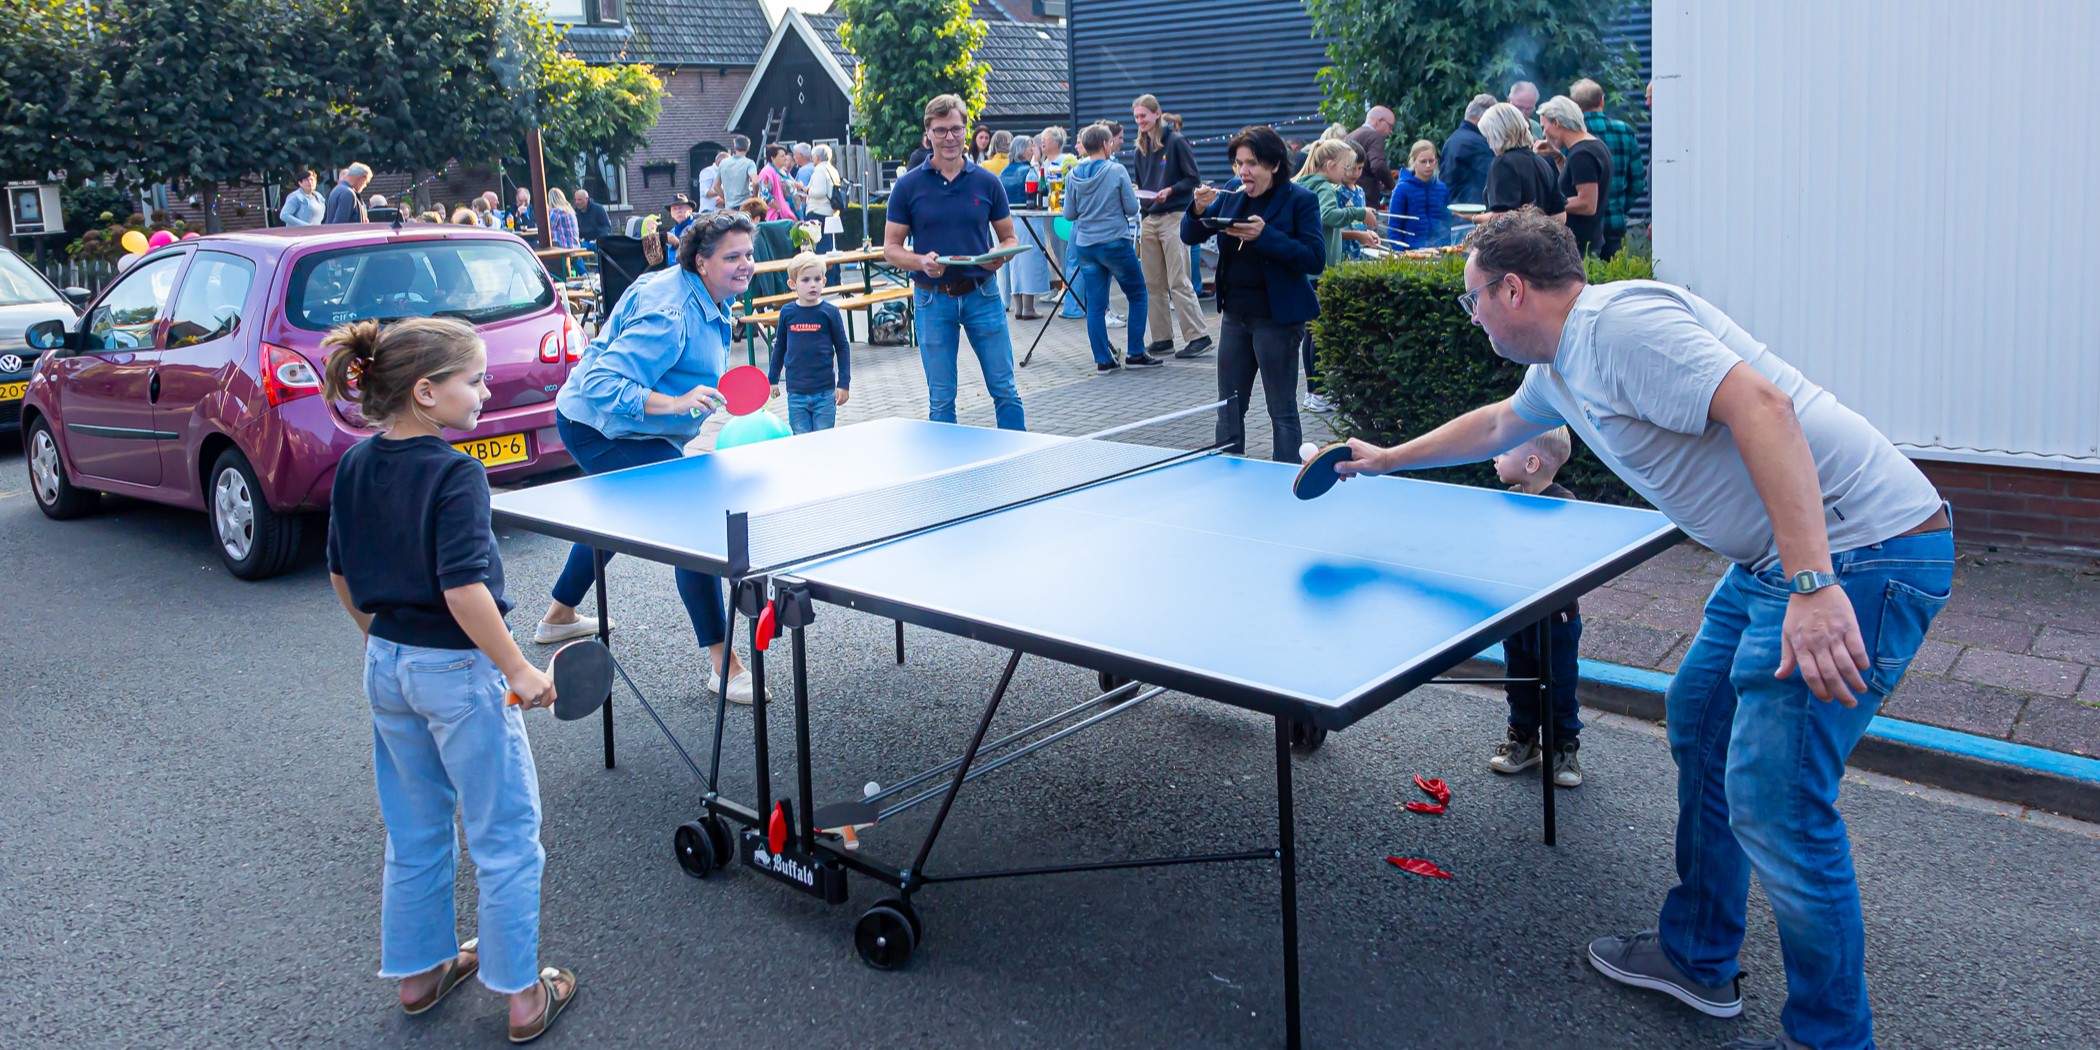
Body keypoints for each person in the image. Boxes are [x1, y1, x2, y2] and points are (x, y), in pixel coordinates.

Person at [1325, 209, 1952, 1050]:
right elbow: (1498, 425)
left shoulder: (1619, 325)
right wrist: (1387, 458)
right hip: (1777, 565)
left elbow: (1763, 408)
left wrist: (1813, 581)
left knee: (1781, 806)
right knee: (1698, 718)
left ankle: (1831, 1037)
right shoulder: (1561, 365)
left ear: (1513, 288)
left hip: (1853, 556)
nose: (1472, 317)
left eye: (1473, 299)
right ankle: (1697, 956)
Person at [319, 316, 579, 1044]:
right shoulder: (455, 471)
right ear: (427, 393)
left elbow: (340, 572)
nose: (486, 390)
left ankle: (419, 974)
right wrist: (519, 668)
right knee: (505, 835)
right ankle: (523, 998)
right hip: (458, 673)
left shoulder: (354, 464)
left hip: (388, 665)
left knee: (414, 827)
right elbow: (464, 589)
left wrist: (382, 640)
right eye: (475, 379)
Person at [542, 211, 768, 702]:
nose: (745, 264)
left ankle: (559, 615)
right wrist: (677, 404)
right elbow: (603, 384)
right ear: (701, 262)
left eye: (748, 254)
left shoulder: (705, 292)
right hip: (598, 425)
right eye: (732, 257)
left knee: (620, 512)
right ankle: (723, 663)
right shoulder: (669, 315)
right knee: (690, 521)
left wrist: (691, 399)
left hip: (642, 426)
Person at [881, 93, 1026, 431]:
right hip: (932, 297)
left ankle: (1020, 463)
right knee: (941, 398)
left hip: (983, 294)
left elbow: (1009, 238)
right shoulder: (908, 185)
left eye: (957, 130)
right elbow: (890, 248)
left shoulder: (988, 181)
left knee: (1005, 389)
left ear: (966, 131)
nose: (950, 138)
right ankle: (948, 476)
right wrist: (920, 261)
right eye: (941, 130)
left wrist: (999, 257)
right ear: (927, 134)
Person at [1181, 125, 1325, 462]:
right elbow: (1190, 236)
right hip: (1234, 316)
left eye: (1252, 163)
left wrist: (1266, 235)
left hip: (1278, 319)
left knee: (1282, 409)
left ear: (1274, 165)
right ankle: (1229, 473)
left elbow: (1314, 258)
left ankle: (1287, 477)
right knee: (1228, 407)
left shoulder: (1300, 200)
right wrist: (1198, 210)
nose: (1243, 171)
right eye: (1239, 163)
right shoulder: (1233, 193)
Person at [1486, 425, 1585, 786]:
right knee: (1519, 680)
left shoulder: (1564, 504)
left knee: (1559, 685)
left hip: (1556, 619)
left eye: (1504, 449)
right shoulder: (1508, 498)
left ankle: (1564, 748)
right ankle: (1524, 742)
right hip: (1518, 616)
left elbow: (1565, 559)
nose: (1495, 455)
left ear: (1530, 463)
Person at [1293, 139, 1379, 414]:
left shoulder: (1302, 183)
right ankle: (1319, 393)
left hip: (1307, 269)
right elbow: (1328, 216)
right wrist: (1360, 213)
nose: (1346, 174)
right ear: (1329, 165)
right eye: (1345, 167)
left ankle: (1311, 392)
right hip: (1321, 268)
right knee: (1320, 332)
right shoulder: (1323, 187)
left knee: (1311, 332)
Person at [1063, 122, 1157, 372]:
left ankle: (1103, 359)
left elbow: (1069, 214)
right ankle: (1136, 352)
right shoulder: (1116, 171)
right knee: (1137, 295)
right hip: (1114, 242)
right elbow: (1132, 208)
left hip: (1086, 245)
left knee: (1095, 304)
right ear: (1105, 144)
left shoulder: (1072, 175)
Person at [1132, 94, 1210, 359]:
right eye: (1136, 117)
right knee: (1152, 282)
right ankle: (1162, 337)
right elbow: (1142, 184)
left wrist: (1171, 190)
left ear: (1157, 114)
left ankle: (1198, 335)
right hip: (1150, 217)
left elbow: (1193, 179)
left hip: (1174, 215)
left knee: (1179, 279)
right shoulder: (1139, 149)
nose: (1139, 121)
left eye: (1143, 115)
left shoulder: (1176, 142)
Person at [767, 253, 851, 434]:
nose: (812, 284)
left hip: (825, 393)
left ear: (824, 281)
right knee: (801, 441)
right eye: (805, 280)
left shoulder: (830, 312)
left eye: (817, 279)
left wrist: (843, 383)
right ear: (792, 284)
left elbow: (843, 348)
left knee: (823, 440)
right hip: (796, 393)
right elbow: (779, 347)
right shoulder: (787, 312)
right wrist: (772, 380)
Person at [1572, 77, 1648, 259]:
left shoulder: (1571, 136)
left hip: (1582, 227)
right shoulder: (1624, 130)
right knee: (1614, 279)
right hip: (1615, 223)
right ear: (1602, 101)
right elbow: (1638, 180)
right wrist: (1620, 206)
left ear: (1574, 105)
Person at [1464, 103, 1564, 226]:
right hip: (1544, 242)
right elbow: (1560, 215)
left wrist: (1474, 218)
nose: (1489, 143)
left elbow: (1503, 216)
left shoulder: (1503, 163)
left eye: (1488, 137)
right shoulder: (1543, 162)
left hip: (1514, 243)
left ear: (1497, 134)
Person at [1537, 95, 1612, 257]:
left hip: (1580, 247)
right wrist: (1558, 157)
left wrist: (1546, 207)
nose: (1543, 134)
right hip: (1589, 241)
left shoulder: (1582, 154)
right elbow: (1576, 181)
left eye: (1544, 127)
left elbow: (1587, 203)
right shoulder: (1593, 146)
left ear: (1556, 122)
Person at [997, 136, 1051, 320]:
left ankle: (1018, 307)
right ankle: (1029, 307)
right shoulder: (1029, 171)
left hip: (1009, 218)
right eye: (1030, 147)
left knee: (1014, 264)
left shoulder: (1004, 172)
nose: (1033, 150)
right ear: (1021, 150)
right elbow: (1040, 193)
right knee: (1030, 260)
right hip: (1029, 217)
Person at [1389, 140, 1453, 249]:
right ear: (1413, 162)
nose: (1428, 165)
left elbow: (1447, 221)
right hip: (1411, 251)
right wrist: (1401, 253)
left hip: (1439, 249)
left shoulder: (1442, 189)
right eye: (1423, 161)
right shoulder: (1402, 189)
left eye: (1431, 161)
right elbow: (1394, 228)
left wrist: (1447, 246)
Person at [1440, 93, 1499, 208]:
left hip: (1453, 211)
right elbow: (1496, 179)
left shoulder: (1452, 140)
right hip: (1470, 213)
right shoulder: (1478, 144)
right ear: (1483, 119)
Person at [1344, 106, 1399, 206]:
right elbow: (1378, 166)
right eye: (1390, 126)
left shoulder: (1349, 136)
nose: (1390, 132)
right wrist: (1392, 187)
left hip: (1347, 196)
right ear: (1379, 121)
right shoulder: (1374, 136)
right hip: (1366, 199)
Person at [805, 145, 844, 263]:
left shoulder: (819, 170)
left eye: (813, 157)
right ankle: (836, 276)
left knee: (822, 248)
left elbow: (820, 192)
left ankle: (828, 277)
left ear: (817, 157)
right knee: (831, 246)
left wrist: (805, 189)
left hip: (818, 211)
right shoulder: (832, 169)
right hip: (830, 211)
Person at [756, 144, 801, 222]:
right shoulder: (767, 173)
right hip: (780, 217)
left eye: (785, 155)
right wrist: (780, 209)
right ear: (773, 158)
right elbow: (765, 196)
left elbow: (791, 185)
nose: (786, 158)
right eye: (782, 156)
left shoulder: (784, 170)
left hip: (794, 213)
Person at [716, 136, 758, 213]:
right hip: (745, 206)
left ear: (735, 147)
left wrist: (726, 198)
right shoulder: (749, 163)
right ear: (748, 148)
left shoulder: (723, 163)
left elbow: (716, 185)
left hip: (729, 208)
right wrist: (755, 198)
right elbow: (755, 182)